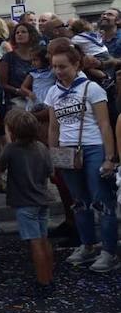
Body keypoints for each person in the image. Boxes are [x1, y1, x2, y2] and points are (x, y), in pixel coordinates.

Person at [45, 45, 118, 272]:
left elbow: (105, 124)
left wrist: (109, 157)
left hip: (93, 146)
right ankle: (87, 245)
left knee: (102, 200)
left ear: (76, 65)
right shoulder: (53, 92)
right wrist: (53, 154)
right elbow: (53, 127)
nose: (58, 71)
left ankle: (109, 251)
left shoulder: (92, 88)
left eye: (63, 66)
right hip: (68, 151)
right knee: (79, 202)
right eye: (55, 66)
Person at [0, 110, 55, 294]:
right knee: (44, 239)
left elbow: (0, 166)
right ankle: (49, 275)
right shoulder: (41, 147)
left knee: (35, 242)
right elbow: (50, 172)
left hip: (24, 202)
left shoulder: (11, 149)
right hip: (42, 199)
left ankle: (42, 282)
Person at [0, 22, 38, 110]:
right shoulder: (8, 57)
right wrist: (17, 91)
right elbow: (2, 83)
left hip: (39, 97)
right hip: (17, 100)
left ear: (31, 35)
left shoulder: (39, 55)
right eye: (17, 33)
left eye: (23, 32)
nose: (19, 34)